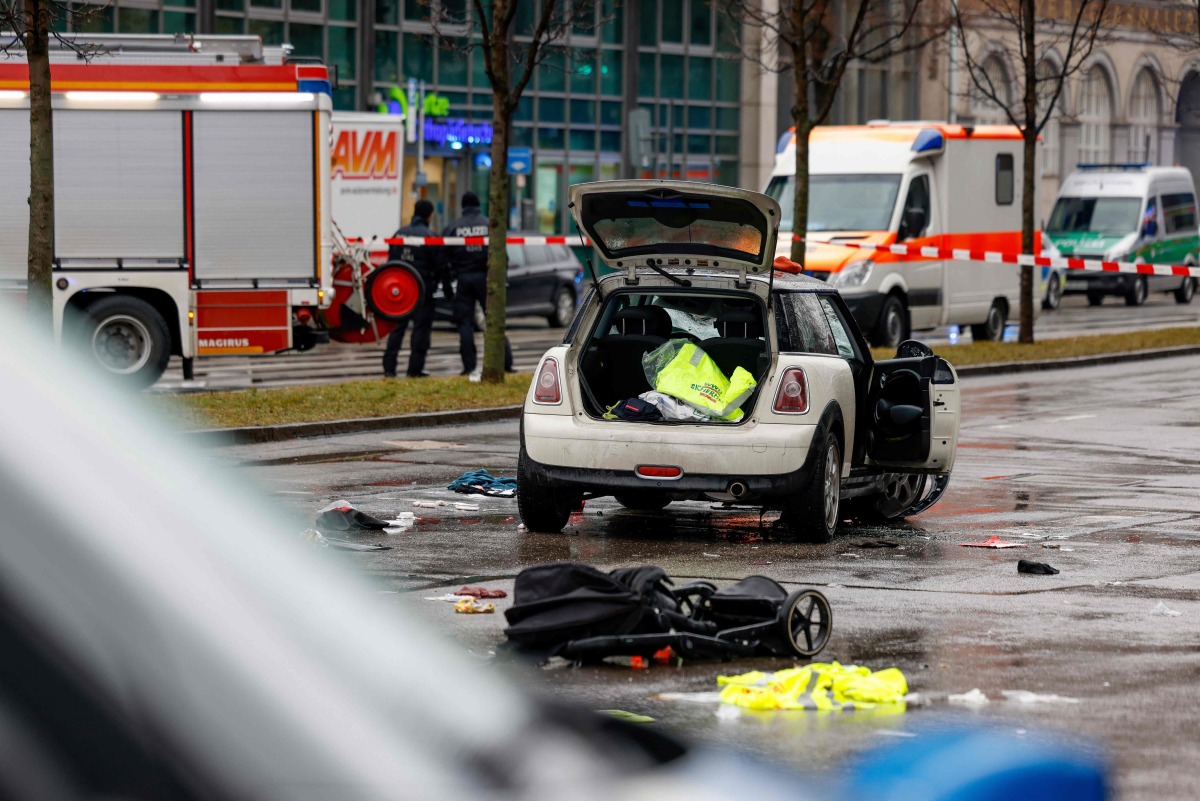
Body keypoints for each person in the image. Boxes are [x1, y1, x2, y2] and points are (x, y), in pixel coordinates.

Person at [441, 191, 513, 376]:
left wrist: (447, 285)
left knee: (465, 323)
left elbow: (443, 260)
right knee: (494, 319)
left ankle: (468, 366)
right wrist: (502, 279)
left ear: (462, 206)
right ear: (478, 204)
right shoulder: (490, 225)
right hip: (486, 279)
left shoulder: (453, 228)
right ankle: (505, 362)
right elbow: (502, 255)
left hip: (463, 279)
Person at [382, 199, 439, 378]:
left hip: (401, 290)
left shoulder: (399, 234)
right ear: (429, 215)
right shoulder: (429, 236)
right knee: (421, 330)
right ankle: (415, 369)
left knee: (397, 329)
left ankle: (389, 368)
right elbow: (437, 265)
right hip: (423, 291)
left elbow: (391, 261)